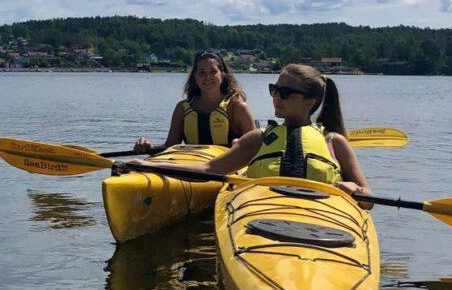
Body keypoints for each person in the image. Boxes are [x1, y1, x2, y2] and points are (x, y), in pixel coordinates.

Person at [137, 63, 371, 199]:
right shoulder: (259, 138)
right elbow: (208, 169)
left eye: (285, 92)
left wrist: (356, 189)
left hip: (321, 220)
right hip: (263, 215)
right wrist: (149, 165)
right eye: (274, 89)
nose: (276, 97)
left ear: (310, 102)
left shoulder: (334, 142)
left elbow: (367, 199)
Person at [133, 51, 257, 152]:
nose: (208, 78)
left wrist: (241, 145)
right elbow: (169, 147)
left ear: (222, 75)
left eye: (213, 72)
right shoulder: (182, 108)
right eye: (202, 73)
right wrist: (149, 147)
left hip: (229, 170)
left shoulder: (237, 108)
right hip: (193, 167)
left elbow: (255, 147)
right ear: (195, 76)